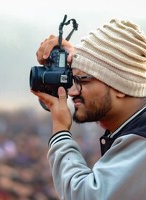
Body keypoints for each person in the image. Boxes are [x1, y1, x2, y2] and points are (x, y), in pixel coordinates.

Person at [31, 18, 146, 199]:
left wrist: (60, 132)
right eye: (72, 79)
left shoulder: (142, 139)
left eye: (82, 80)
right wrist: (78, 59)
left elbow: (86, 196)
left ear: (120, 86)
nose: (72, 91)